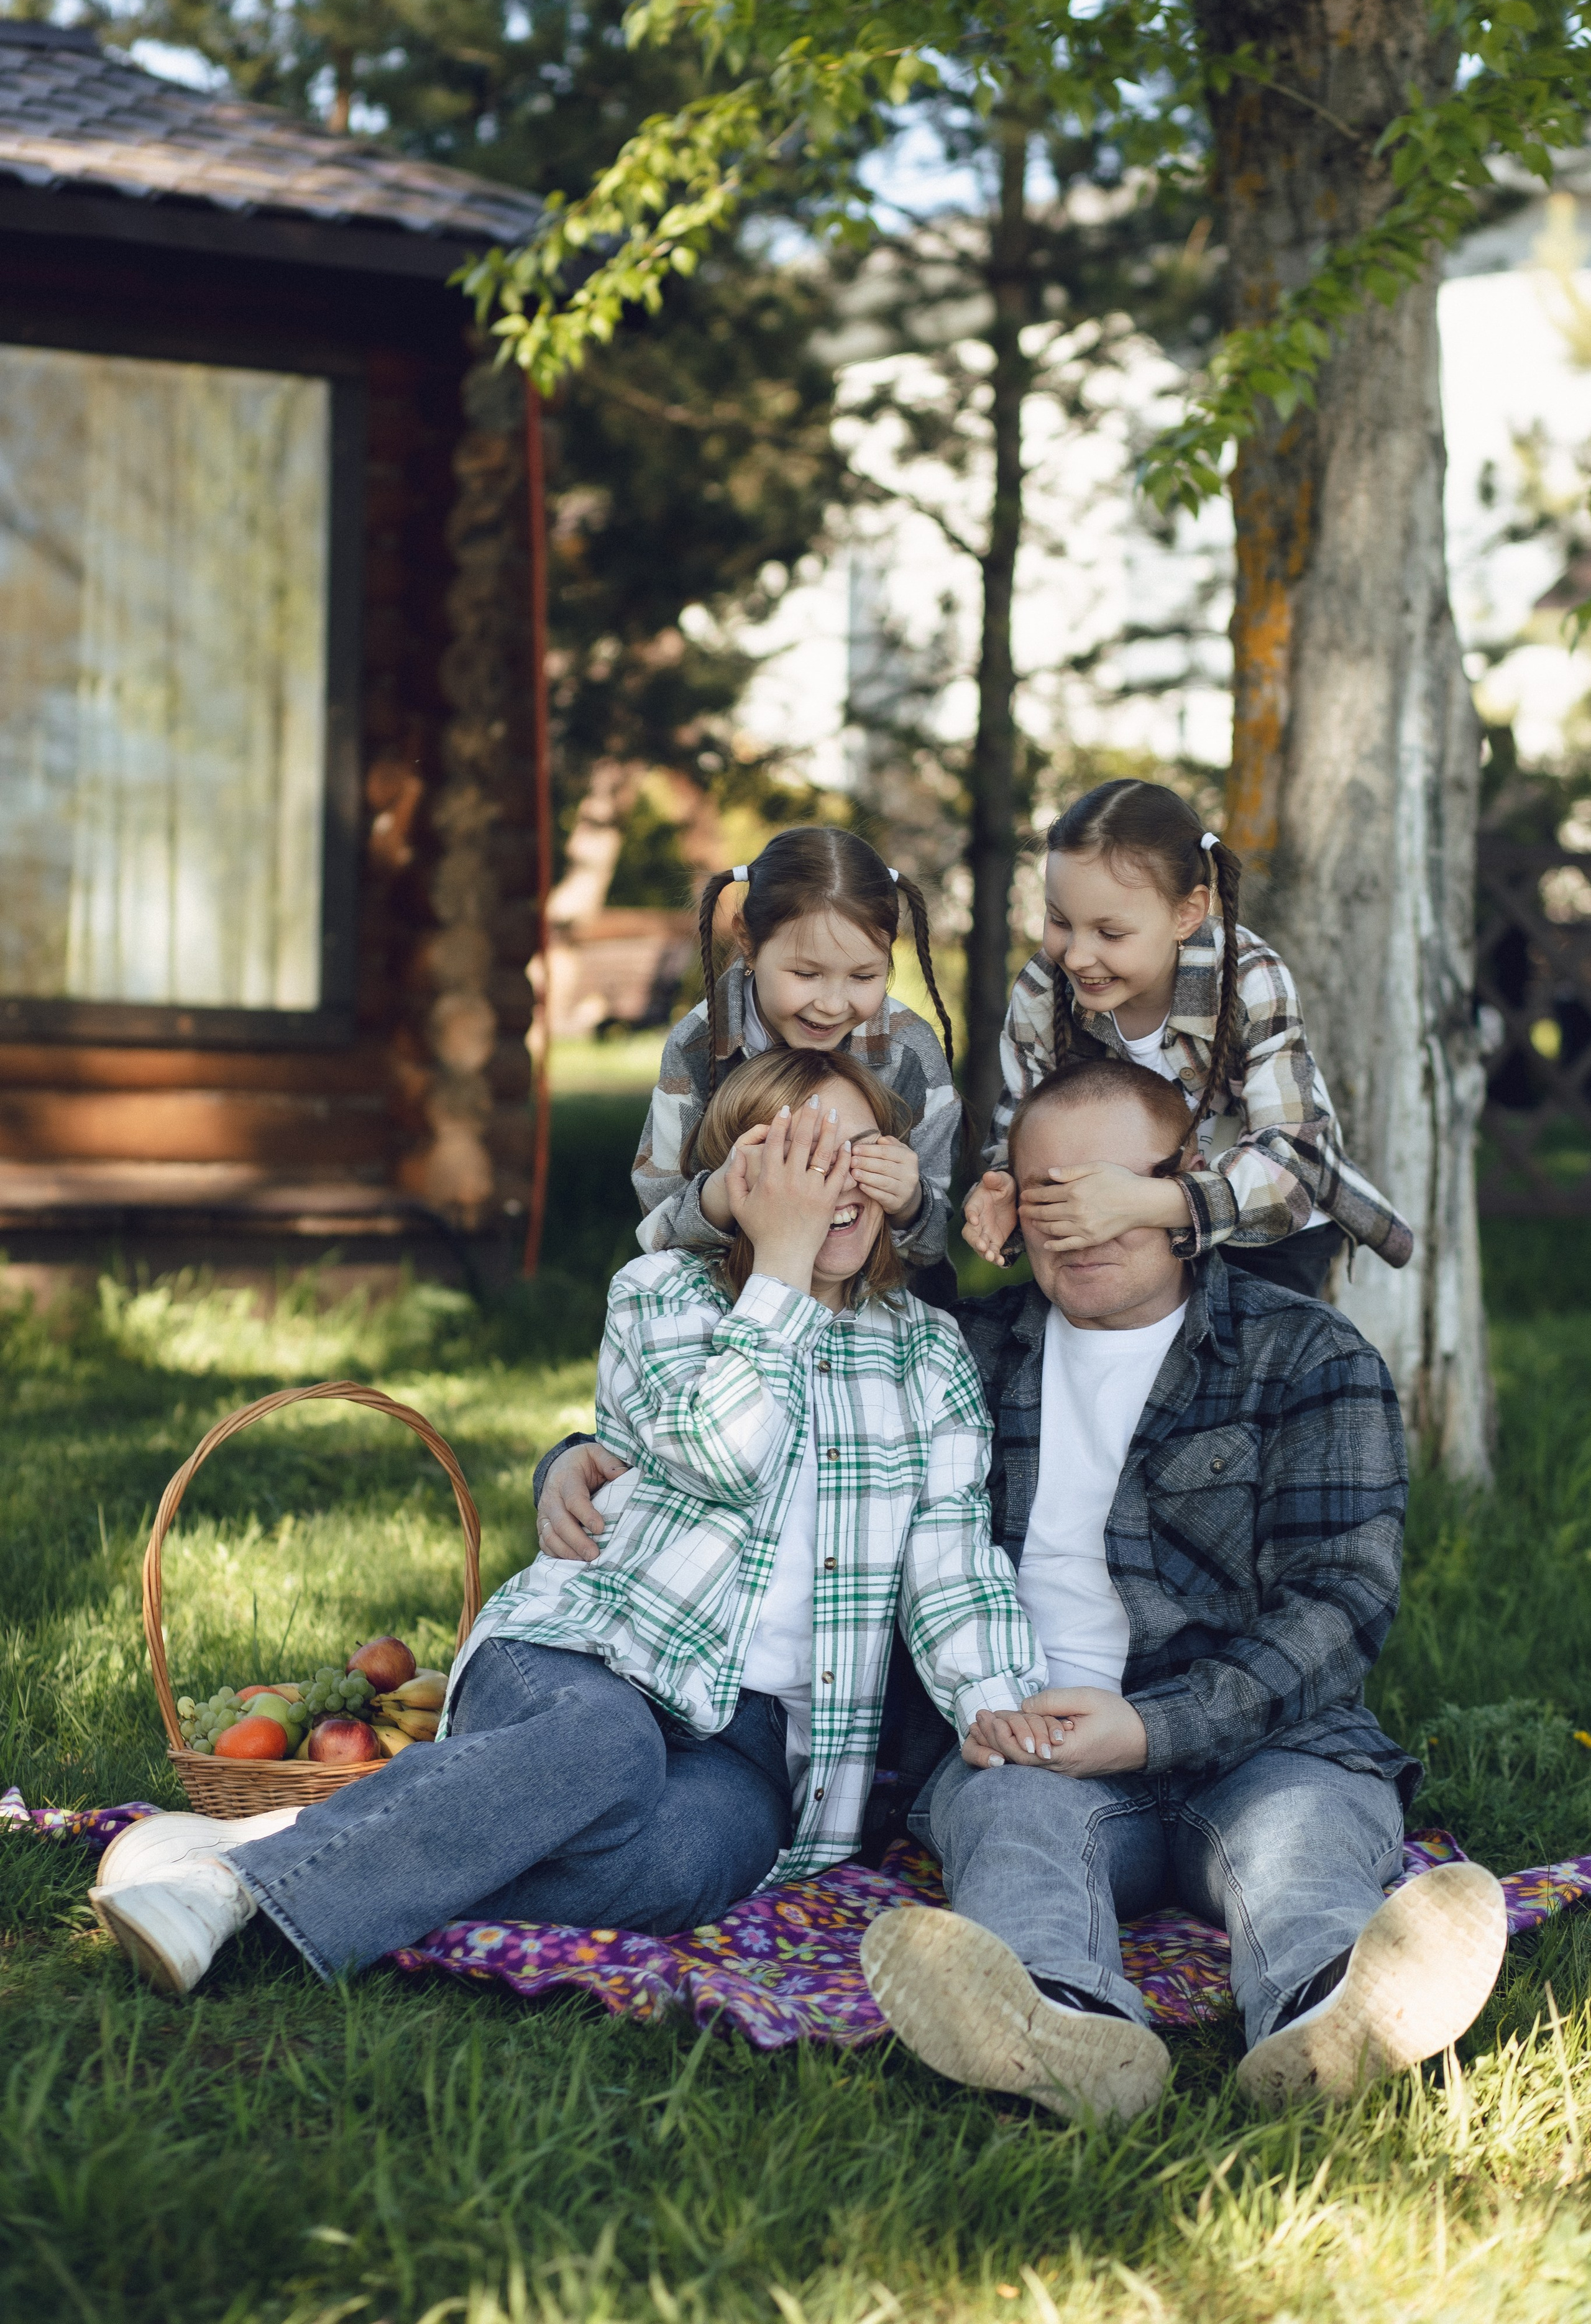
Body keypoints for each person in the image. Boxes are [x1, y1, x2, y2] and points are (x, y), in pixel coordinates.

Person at [91, 1052, 1042, 1998]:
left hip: (751, 1745)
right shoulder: (662, 1297)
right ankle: (232, 1890)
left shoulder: (928, 1354)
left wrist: (995, 1697)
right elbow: (724, 1454)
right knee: (606, 1748)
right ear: (739, 1183)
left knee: (684, 1867)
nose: (831, 1183)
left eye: (859, 1152)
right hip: (589, 1653)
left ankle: (304, 1843)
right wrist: (784, 1271)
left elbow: (952, 1563)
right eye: (799, 1156)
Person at [861, 1058, 1505, 2121]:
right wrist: (574, 1461)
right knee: (1013, 1835)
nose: (1077, 1222)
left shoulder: (1305, 1356)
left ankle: (1332, 2010)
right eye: (1046, 1192)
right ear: (1010, 1206)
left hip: (1267, 1745)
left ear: (1185, 1186)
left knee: (1302, 1848)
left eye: (1110, 1188)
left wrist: (1154, 1728)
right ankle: (1060, 2027)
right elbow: (798, 1453)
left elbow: (1340, 1605)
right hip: (1038, 1749)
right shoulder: (961, 1355)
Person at [961, 779, 1413, 1300]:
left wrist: (1147, 1202)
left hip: (1266, 1228)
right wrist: (1004, 1186)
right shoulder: (1043, 992)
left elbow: (1290, 1174)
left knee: (1242, 1362)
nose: (1078, 956)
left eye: (1110, 934)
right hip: (1126, 1223)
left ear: (1187, 914)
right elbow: (1019, 1126)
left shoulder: (1247, 979)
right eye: (1060, 921)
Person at [633, 826, 961, 1299]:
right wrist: (722, 1193)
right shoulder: (695, 1047)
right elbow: (657, 1230)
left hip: (877, 1322)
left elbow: (931, 1245)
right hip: (733, 1310)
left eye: (864, 975)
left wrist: (910, 1202)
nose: (832, 1005)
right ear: (747, 939)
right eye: (807, 974)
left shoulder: (910, 1053)